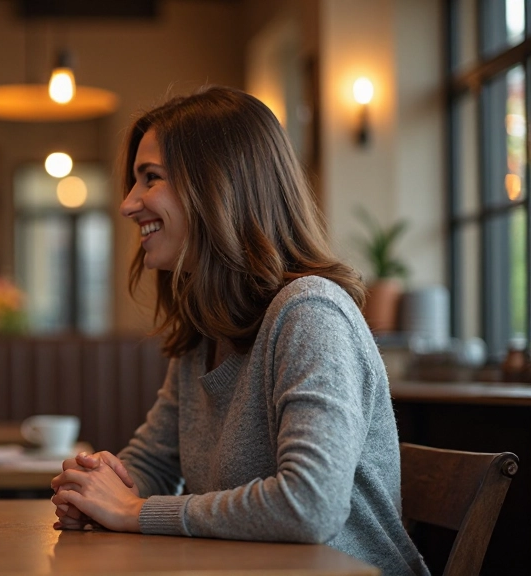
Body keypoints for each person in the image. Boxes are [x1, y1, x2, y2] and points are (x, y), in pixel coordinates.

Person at [49, 87, 429, 576]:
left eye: (150, 179)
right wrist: (101, 488)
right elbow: (155, 461)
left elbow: (310, 505)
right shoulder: (205, 328)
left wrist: (132, 510)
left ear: (217, 187)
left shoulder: (309, 312)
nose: (128, 204)